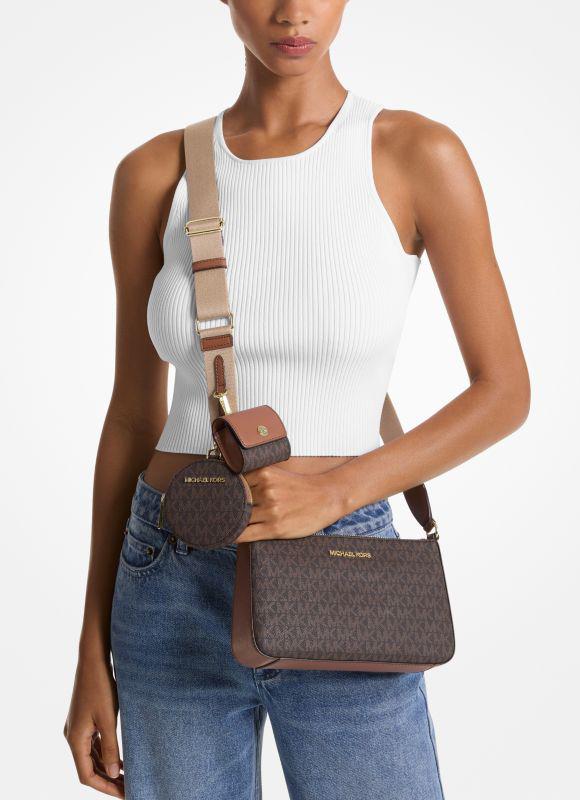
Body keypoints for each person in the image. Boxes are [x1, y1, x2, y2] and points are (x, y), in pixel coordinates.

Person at [63, 1, 530, 798]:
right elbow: (133, 416)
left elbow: (504, 390)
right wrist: (90, 652)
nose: (291, 12)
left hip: (341, 563)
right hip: (168, 575)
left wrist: (338, 492)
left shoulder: (413, 153)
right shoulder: (154, 172)